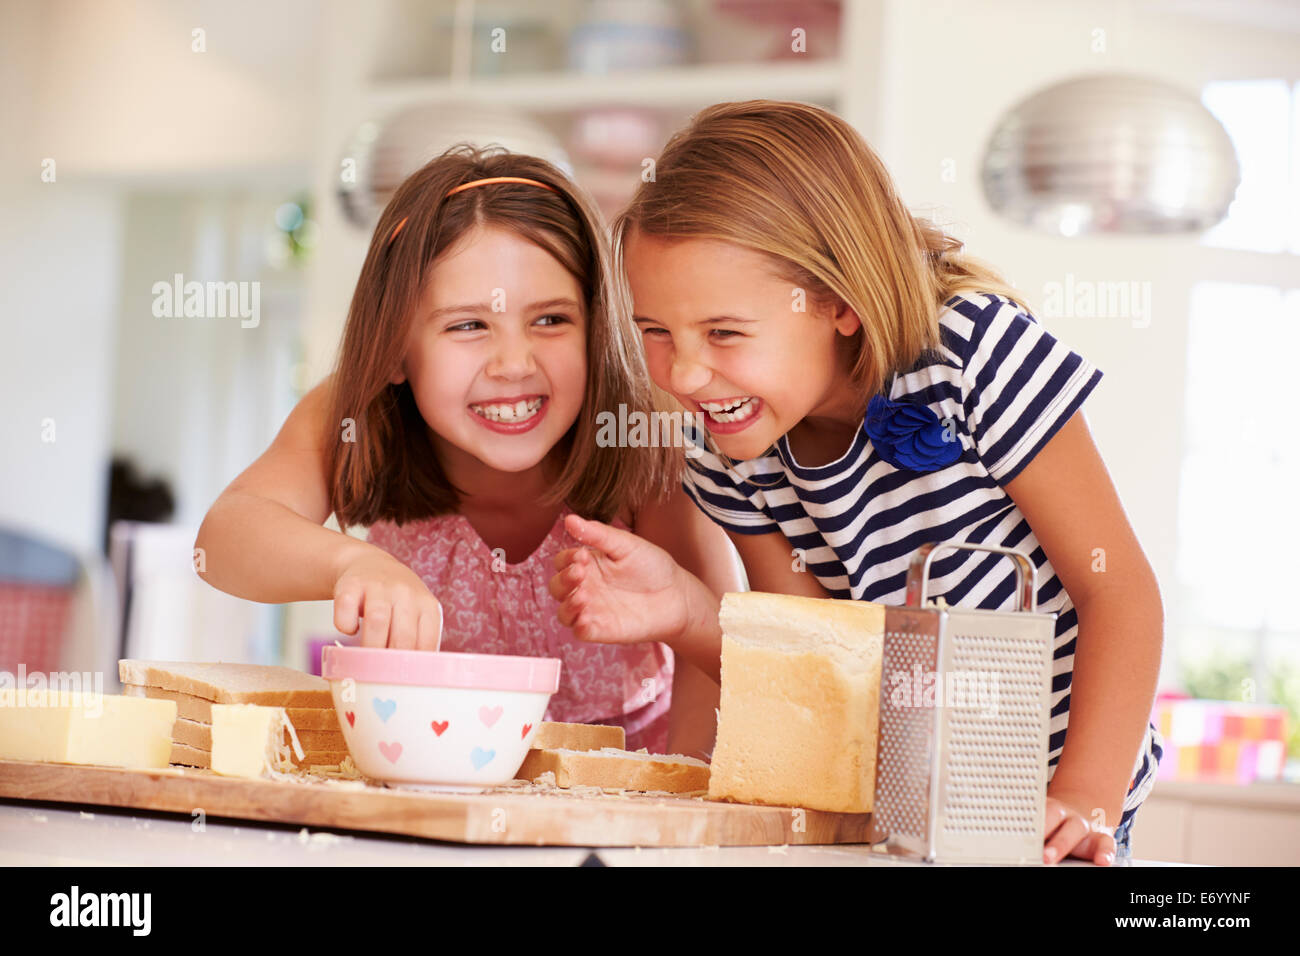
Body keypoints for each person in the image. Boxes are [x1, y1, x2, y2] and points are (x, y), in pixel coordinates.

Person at [549, 101, 1163, 863]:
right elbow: (812, 667)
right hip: (894, 814)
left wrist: (1084, 801)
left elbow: (1120, 593)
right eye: (656, 333)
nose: (686, 374)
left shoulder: (971, 354)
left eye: (725, 333)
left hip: (1054, 813)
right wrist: (683, 610)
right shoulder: (726, 449)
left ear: (837, 302)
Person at [195, 147, 739, 756]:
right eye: (468, 326)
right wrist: (352, 564)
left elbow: (718, 651)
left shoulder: (646, 438)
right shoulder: (353, 413)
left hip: (616, 807)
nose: (514, 364)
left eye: (552, 320)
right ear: (397, 348)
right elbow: (220, 540)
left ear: (595, 327)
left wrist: (688, 807)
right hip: (427, 783)